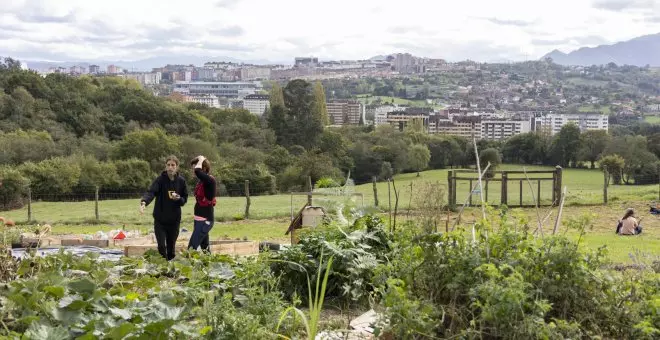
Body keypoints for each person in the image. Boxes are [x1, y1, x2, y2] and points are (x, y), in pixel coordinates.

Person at [140, 155, 188, 260]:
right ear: (165, 166)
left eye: (173, 165)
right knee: (161, 246)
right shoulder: (160, 180)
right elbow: (151, 192)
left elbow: (184, 199)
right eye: (168, 165)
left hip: (174, 220)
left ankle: (170, 269)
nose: (170, 167)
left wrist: (179, 199)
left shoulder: (181, 181)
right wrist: (144, 202)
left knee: (171, 248)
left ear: (177, 167)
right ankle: (163, 265)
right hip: (160, 220)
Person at [188, 155, 217, 252]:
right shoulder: (201, 182)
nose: (193, 171)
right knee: (205, 248)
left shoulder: (210, 181)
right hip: (199, 219)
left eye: (194, 167)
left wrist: (200, 159)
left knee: (191, 248)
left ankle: (186, 266)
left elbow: (197, 171)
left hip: (205, 220)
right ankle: (209, 265)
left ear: (203, 168)